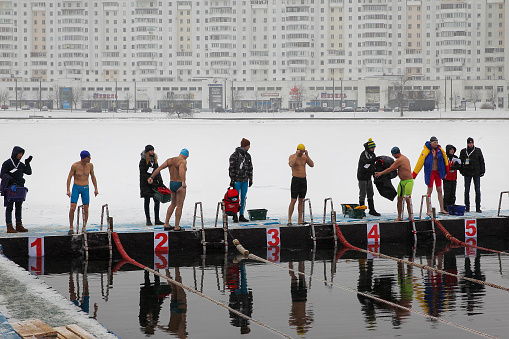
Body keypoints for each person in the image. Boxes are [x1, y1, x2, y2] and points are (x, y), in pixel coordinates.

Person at [148, 149, 189, 231]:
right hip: (179, 184)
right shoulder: (183, 161)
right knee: (179, 205)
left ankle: (166, 223)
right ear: (186, 155)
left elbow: (159, 168)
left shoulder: (170, 160)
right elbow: (181, 171)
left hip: (172, 183)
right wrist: (183, 182)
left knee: (173, 204)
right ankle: (177, 226)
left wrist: (151, 177)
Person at [374, 147, 413, 221]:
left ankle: (410, 216)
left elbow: (390, 169)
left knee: (407, 199)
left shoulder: (401, 159)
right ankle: (399, 216)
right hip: (402, 182)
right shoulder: (402, 158)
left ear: (394, 154)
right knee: (399, 199)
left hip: (408, 182)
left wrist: (381, 173)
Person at [412, 136, 449, 215]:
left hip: (438, 173)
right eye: (435, 142)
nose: (436, 144)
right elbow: (420, 162)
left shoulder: (440, 150)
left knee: (440, 190)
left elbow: (445, 159)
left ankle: (442, 208)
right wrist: (414, 174)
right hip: (430, 173)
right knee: (429, 191)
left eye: (437, 142)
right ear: (431, 143)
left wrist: (446, 170)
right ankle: (428, 210)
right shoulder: (426, 151)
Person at [66, 150, 99, 235]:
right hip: (76, 188)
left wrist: (96, 188)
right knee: (72, 208)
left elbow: (93, 177)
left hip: (85, 188)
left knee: (86, 209)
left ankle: (84, 227)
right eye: (89, 157)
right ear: (84, 158)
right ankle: (71, 227)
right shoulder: (75, 166)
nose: (90, 158)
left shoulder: (90, 166)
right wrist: (68, 190)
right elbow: (69, 177)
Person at [0, 146, 32, 233]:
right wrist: (10, 179)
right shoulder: (7, 163)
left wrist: (27, 163)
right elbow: (2, 174)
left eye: (22, 154)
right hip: (10, 188)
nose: (21, 155)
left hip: (19, 188)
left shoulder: (21, 165)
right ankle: (9, 226)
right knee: (9, 207)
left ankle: (19, 224)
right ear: (15, 153)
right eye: (19, 154)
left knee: (19, 206)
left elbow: (29, 172)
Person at [288, 144, 314, 225]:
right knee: (293, 200)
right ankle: (289, 220)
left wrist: (307, 155)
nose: (301, 153)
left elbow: (312, 165)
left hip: (303, 180)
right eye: (300, 151)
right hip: (295, 180)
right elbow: (291, 164)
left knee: (301, 200)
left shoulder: (304, 157)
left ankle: (300, 220)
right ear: (297, 150)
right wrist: (296, 154)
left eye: (303, 152)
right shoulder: (292, 156)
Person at [229, 138, 253, 222]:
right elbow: (231, 169)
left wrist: (250, 179)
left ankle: (241, 215)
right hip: (237, 180)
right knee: (235, 198)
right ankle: (235, 214)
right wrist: (232, 180)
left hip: (245, 180)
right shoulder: (234, 155)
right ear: (245, 146)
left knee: (243, 197)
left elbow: (250, 168)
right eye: (248, 145)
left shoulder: (248, 156)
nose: (249, 147)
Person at [139, 145, 164, 226]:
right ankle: (148, 219)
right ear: (147, 152)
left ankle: (157, 219)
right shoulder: (143, 161)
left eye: (153, 150)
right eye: (150, 151)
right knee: (147, 201)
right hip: (146, 184)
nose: (152, 152)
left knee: (157, 200)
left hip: (154, 183)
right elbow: (142, 173)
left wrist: (160, 182)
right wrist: (149, 179)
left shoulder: (155, 160)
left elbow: (158, 171)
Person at [459, 137, 485, 213]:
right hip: (467, 173)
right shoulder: (464, 151)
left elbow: (482, 161)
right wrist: (462, 171)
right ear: (467, 144)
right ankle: (467, 207)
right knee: (467, 190)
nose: (471, 144)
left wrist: (482, 171)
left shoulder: (477, 150)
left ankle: (478, 207)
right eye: (469, 143)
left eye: (472, 143)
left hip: (476, 173)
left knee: (477, 190)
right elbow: (460, 162)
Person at [357, 138, 380, 216]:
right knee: (362, 194)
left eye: (374, 148)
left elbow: (372, 164)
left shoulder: (372, 155)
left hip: (368, 177)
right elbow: (367, 161)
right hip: (362, 177)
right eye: (372, 148)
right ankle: (361, 210)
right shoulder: (364, 154)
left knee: (370, 193)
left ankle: (372, 209)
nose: (373, 149)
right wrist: (376, 159)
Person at [443, 144, 461, 212]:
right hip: (446, 179)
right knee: (447, 194)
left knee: (453, 194)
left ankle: (452, 207)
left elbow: (460, 166)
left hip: (454, 179)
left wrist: (456, 167)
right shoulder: (445, 158)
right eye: (450, 149)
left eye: (453, 149)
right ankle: (445, 208)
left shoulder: (456, 158)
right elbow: (442, 167)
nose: (452, 151)